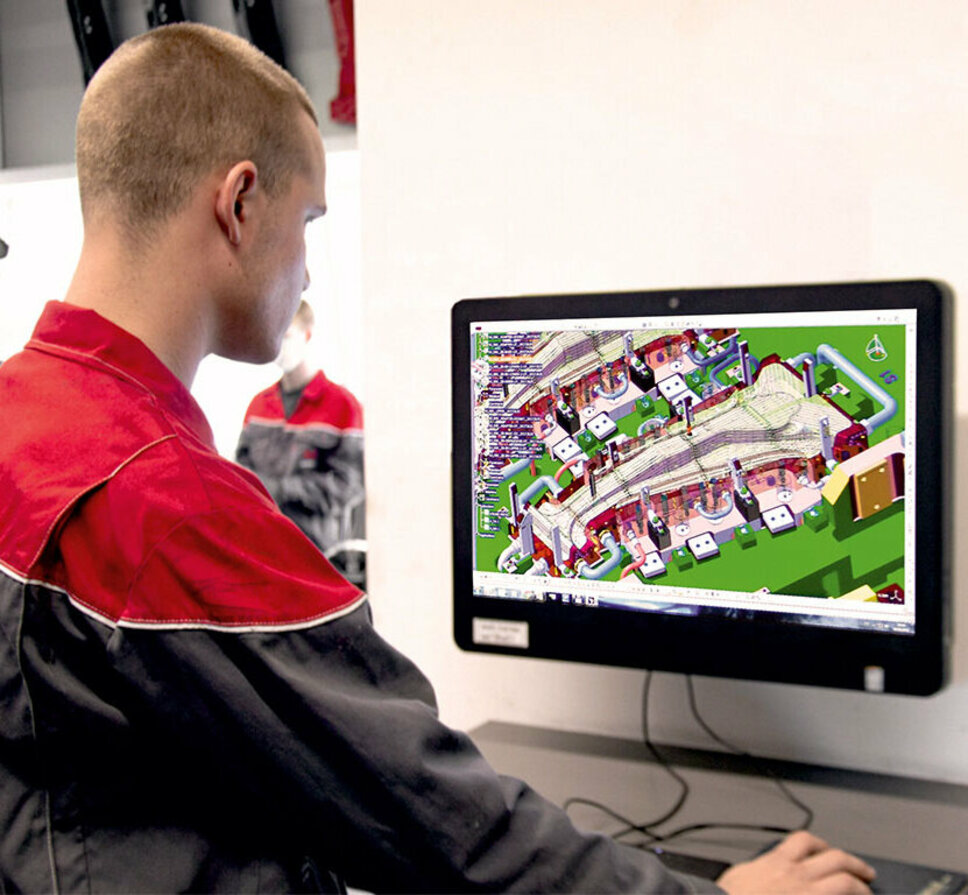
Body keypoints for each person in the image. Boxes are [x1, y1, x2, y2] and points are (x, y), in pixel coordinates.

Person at [0, 22, 876, 895]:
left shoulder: (20, 416)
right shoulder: (167, 501)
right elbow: (449, 832)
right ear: (239, 203)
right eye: (308, 220)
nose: (305, 269)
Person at [237, 299, 366, 588]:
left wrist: (276, 487)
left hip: (319, 558)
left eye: (287, 335)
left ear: (306, 335)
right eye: (275, 333)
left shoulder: (343, 406)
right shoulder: (258, 405)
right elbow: (239, 476)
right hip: (261, 553)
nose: (279, 345)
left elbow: (350, 485)